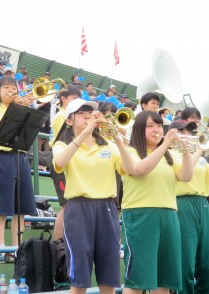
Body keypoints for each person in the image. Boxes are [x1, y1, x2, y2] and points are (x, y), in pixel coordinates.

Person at [52, 98, 136, 294]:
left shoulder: (107, 145)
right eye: (81, 113)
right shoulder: (62, 145)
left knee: (109, 277)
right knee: (79, 279)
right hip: (78, 209)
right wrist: (85, 133)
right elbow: (60, 163)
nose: (88, 116)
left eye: (90, 112)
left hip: (107, 208)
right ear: (69, 120)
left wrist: (119, 140)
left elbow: (129, 169)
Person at [121, 111, 193, 294]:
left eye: (159, 125)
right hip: (140, 215)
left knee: (164, 280)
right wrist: (166, 144)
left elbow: (186, 176)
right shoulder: (130, 151)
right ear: (139, 129)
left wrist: (185, 152)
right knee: (137, 280)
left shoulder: (168, 155)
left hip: (169, 215)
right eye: (150, 125)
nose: (157, 130)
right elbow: (141, 170)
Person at [169, 119, 209, 294]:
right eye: (182, 131)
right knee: (186, 259)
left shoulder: (199, 157)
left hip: (203, 204)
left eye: (189, 131)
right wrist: (201, 148)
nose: (187, 134)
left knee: (207, 261)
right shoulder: (170, 154)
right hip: (182, 203)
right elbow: (185, 172)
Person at [0, 76, 36, 263]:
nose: (11, 91)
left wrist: (24, 108)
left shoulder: (22, 109)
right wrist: (17, 108)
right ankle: (0, 247)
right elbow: (1, 127)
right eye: (6, 87)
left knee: (20, 207)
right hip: (2, 157)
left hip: (20, 156)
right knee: (1, 206)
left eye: (13, 88)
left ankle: (17, 248)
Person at [49, 84, 81, 241]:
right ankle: (57, 245)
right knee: (67, 204)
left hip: (70, 159)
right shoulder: (62, 116)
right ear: (63, 99)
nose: (77, 102)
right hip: (61, 159)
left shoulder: (68, 115)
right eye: (74, 98)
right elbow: (63, 140)